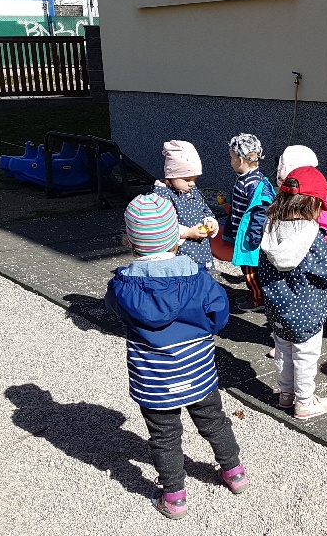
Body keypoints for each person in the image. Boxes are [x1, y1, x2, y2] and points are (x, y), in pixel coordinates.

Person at [105, 194, 248, 520]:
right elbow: (219, 313)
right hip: (197, 370)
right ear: (176, 237)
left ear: (130, 241)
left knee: (164, 437)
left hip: (154, 379)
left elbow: (114, 311)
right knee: (214, 422)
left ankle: (174, 497)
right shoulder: (198, 277)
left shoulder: (123, 285)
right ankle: (234, 472)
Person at [257, 166, 327, 420]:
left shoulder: (270, 229)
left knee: (283, 351)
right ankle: (304, 402)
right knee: (305, 356)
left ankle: (286, 394)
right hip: (307, 311)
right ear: (313, 204)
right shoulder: (312, 236)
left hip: (277, 308)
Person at [222, 134, 276, 312]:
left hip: (250, 236)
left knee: (251, 269)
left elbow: (261, 210)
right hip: (243, 232)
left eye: (231, 158)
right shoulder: (246, 178)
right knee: (247, 268)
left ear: (240, 159)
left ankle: (258, 299)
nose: (231, 162)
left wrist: (254, 235)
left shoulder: (253, 183)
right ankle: (254, 293)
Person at [151, 140, 219, 270]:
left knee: (200, 275)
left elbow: (204, 209)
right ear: (171, 175)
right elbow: (160, 226)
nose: (192, 183)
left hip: (200, 250)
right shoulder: (163, 196)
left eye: (195, 179)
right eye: (187, 179)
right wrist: (187, 232)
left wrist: (210, 221)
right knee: (183, 276)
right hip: (179, 252)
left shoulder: (192, 191)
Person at [276, 145, 327, 241]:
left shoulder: (317, 195)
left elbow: (325, 225)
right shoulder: (285, 192)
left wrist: (323, 240)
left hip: (312, 242)